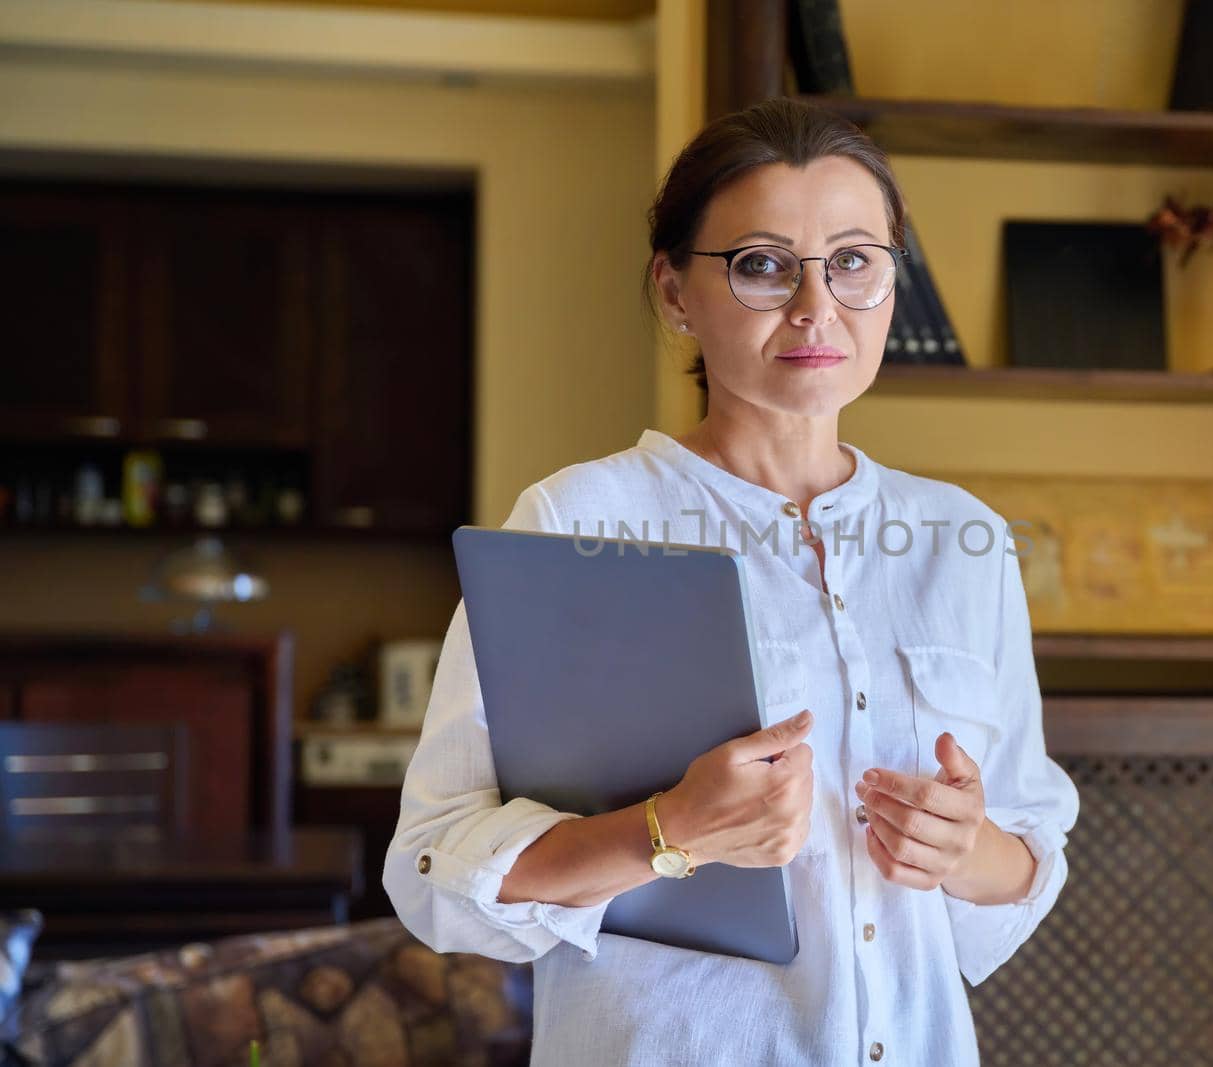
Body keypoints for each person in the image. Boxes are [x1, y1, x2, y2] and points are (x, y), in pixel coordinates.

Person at [383, 96, 1079, 1067]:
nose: (815, 305)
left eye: (852, 261)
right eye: (760, 264)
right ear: (673, 291)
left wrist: (968, 849)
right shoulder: (578, 520)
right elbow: (434, 866)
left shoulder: (959, 536)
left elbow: (1024, 853)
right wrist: (666, 831)